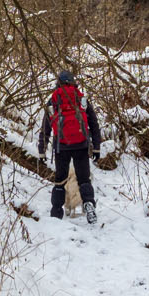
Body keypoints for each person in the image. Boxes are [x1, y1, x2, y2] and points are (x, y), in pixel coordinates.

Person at [37, 69, 104, 222]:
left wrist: (42, 150)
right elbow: (94, 123)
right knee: (84, 179)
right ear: (73, 82)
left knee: (60, 180)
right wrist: (96, 147)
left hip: (62, 146)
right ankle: (88, 204)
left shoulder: (53, 100)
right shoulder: (81, 99)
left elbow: (45, 128)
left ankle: (56, 212)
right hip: (81, 145)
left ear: (58, 83)